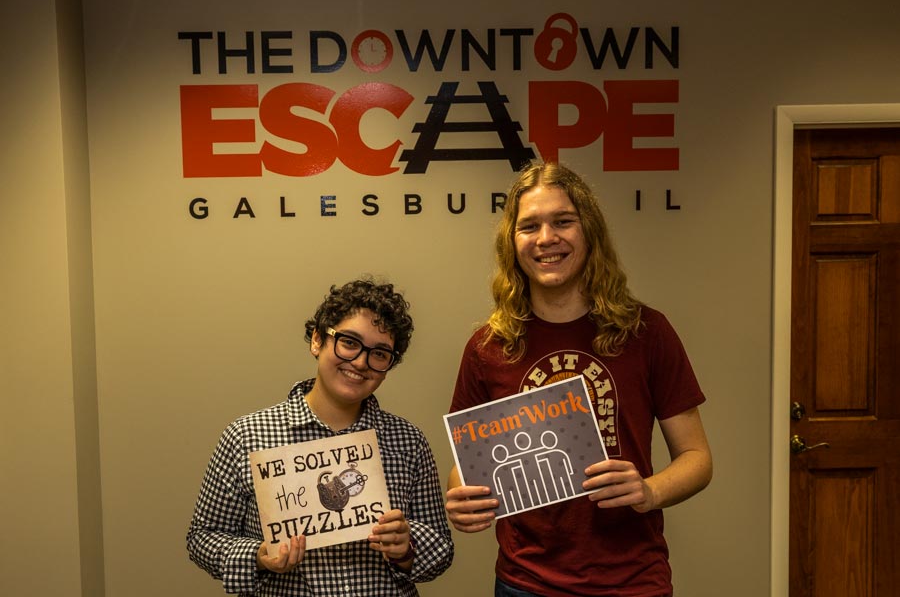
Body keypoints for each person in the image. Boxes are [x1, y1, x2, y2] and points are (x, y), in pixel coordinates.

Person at [444, 162, 712, 597]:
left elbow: (698, 458)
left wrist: (649, 490)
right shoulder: (488, 346)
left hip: (632, 580)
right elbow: (466, 465)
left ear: (589, 231)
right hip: (525, 582)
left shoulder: (646, 332)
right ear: (513, 243)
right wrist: (462, 498)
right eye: (529, 226)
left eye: (563, 221)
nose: (547, 238)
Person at [187, 278, 453, 596]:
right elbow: (203, 537)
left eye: (379, 354)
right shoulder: (246, 436)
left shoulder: (408, 442)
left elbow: (441, 551)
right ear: (317, 340)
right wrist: (258, 557)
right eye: (349, 342)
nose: (359, 362)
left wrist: (407, 547)